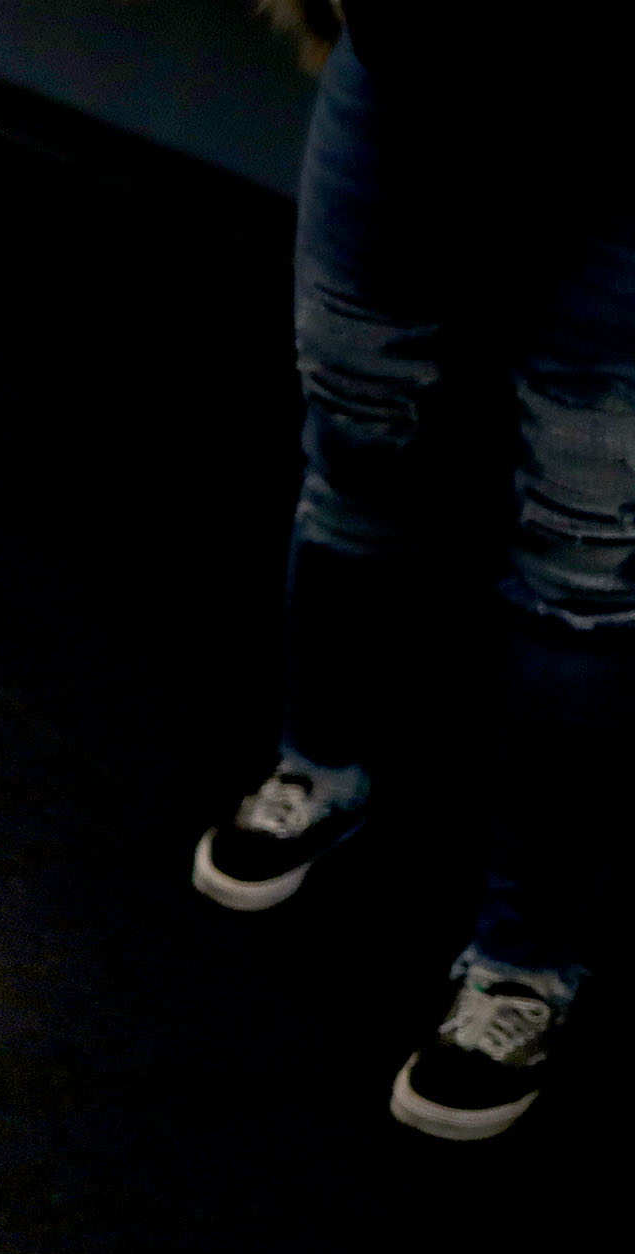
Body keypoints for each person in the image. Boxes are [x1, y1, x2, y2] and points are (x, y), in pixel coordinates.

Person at [194, 6, 630, 1140]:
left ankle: (525, 964)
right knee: (353, 439)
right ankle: (321, 771)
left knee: (582, 575)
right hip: (404, 72)